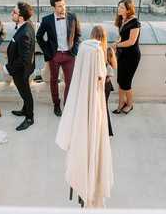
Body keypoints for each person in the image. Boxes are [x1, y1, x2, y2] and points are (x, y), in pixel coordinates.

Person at [55, 32, 113, 208]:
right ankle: (90, 186)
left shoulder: (76, 93)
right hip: (94, 119)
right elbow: (102, 76)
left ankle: (83, 187)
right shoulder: (96, 98)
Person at [36, 0, 82, 117]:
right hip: (54, 56)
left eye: (63, 5)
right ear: (53, 7)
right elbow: (39, 36)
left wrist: (75, 50)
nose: (63, 8)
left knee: (70, 82)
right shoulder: (47, 20)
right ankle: (56, 104)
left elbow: (78, 35)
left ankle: (67, 105)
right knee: (53, 81)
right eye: (59, 6)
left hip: (69, 55)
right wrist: (48, 52)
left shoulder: (73, 17)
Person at [6, 2, 36, 131]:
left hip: (21, 71)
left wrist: (8, 68)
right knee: (24, 93)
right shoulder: (27, 25)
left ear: (21, 17)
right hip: (24, 69)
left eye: (14, 12)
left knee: (26, 94)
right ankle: (25, 110)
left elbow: (24, 58)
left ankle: (29, 117)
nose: (12, 14)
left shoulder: (24, 32)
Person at [112, 0, 141, 115]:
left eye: (122, 8)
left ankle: (129, 104)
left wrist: (116, 45)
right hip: (123, 55)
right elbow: (122, 36)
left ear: (129, 10)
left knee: (126, 83)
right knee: (120, 81)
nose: (119, 9)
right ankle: (121, 103)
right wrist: (118, 41)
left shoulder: (135, 22)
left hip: (132, 56)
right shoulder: (122, 19)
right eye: (119, 7)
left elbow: (131, 41)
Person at [90, 25, 117, 136]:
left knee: (96, 107)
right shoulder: (109, 50)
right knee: (104, 106)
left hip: (97, 84)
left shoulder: (91, 52)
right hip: (107, 85)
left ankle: (98, 130)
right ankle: (107, 131)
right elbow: (114, 66)